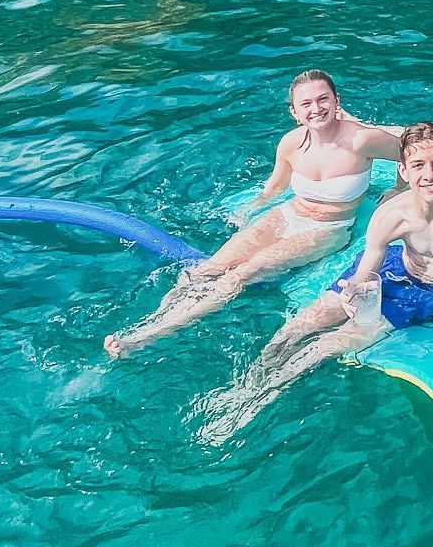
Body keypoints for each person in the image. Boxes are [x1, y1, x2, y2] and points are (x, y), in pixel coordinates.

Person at [198, 122, 433, 443]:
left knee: (324, 346)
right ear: (403, 171)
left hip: (428, 292)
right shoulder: (391, 215)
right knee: (298, 326)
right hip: (395, 268)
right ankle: (241, 388)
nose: (430, 174)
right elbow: (368, 266)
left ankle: (249, 406)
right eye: (418, 165)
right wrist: (354, 290)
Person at [104, 69, 399, 358]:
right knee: (207, 269)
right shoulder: (292, 143)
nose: (316, 109)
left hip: (328, 228)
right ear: (295, 112)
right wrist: (250, 209)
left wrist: (397, 191)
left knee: (242, 274)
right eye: (306, 104)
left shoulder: (363, 140)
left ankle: (145, 338)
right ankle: (150, 320)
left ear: (337, 100)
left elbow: (408, 155)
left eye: (323, 99)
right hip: (288, 214)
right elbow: (277, 184)